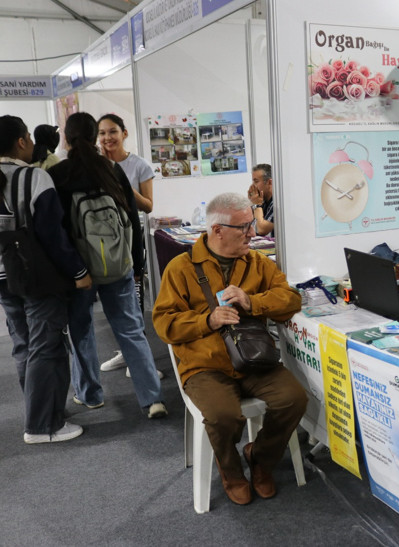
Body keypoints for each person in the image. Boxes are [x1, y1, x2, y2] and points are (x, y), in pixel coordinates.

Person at [153, 192, 307, 506]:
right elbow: (163, 324)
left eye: (252, 224)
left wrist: (254, 302)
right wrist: (205, 321)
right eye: (244, 228)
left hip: (254, 358)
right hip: (205, 365)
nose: (253, 233)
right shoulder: (180, 268)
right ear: (217, 230)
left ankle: (260, 459)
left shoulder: (257, 262)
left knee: (294, 399)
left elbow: (291, 300)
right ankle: (231, 471)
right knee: (223, 415)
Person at [48, 112, 167, 418]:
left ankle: (90, 395)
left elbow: (56, 228)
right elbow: (131, 220)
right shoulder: (112, 169)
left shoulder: (58, 175)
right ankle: (152, 398)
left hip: (80, 271)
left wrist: (71, 269)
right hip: (118, 264)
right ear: (94, 137)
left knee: (82, 331)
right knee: (130, 330)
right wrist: (137, 263)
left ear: (66, 137)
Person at [0, 115, 92, 443]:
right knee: (46, 347)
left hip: (5, 277)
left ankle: (40, 410)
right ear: (21, 141)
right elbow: (53, 235)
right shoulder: (33, 178)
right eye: (27, 135)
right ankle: (43, 425)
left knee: (24, 345)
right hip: (37, 275)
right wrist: (79, 273)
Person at [97, 113, 160, 375]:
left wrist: (120, 180)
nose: (107, 138)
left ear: (124, 133)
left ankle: (139, 360)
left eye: (112, 131)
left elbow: (147, 206)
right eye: (102, 133)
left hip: (131, 240)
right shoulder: (94, 164)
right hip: (101, 242)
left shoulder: (139, 165)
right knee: (113, 303)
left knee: (134, 299)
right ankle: (127, 352)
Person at [247, 163, 274, 236]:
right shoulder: (262, 200)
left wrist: (256, 205)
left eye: (256, 181)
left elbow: (261, 230)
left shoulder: (277, 203)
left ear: (269, 182)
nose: (253, 186)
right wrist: (251, 203)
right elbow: (247, 227)